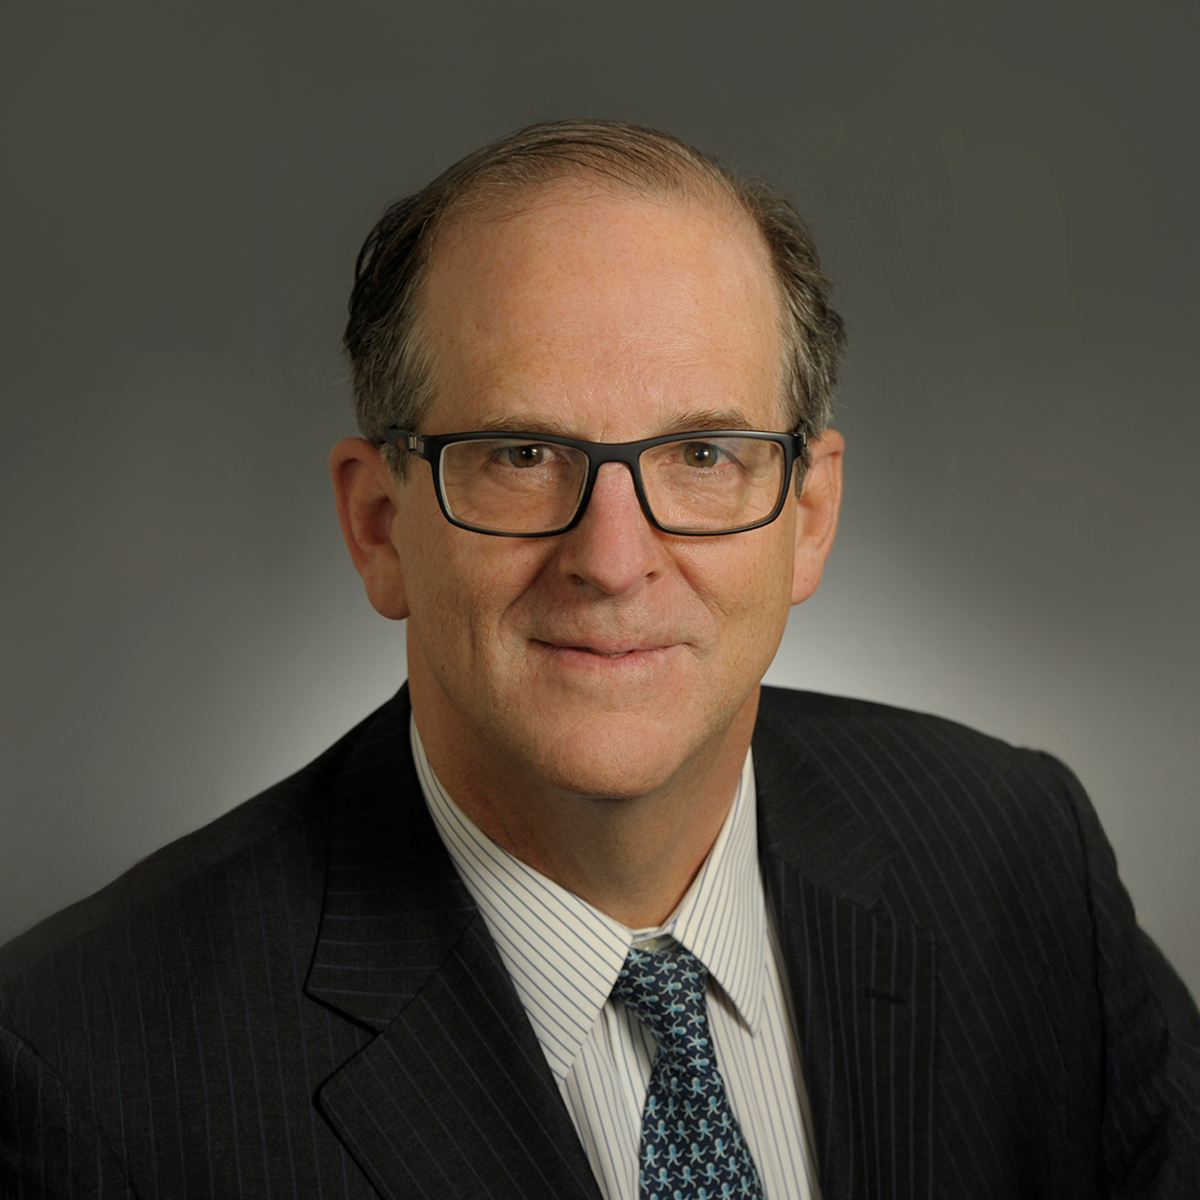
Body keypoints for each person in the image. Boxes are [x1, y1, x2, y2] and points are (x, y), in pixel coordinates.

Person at [1, 119, 1196, 1200]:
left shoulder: (1020, 860)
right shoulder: (85, 1071)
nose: (614, 561)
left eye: (703, 455)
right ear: (379, 527)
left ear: (810, 514)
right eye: (522, 455)